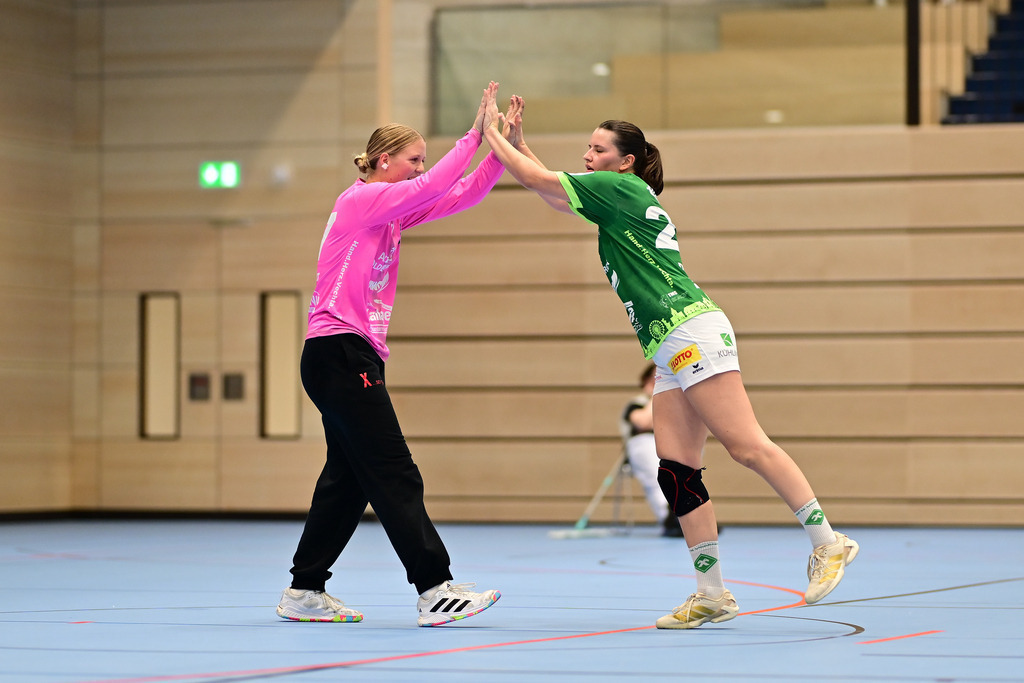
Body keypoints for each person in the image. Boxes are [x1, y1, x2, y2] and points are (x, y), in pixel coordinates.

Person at [479, 85, 858, 630]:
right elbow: (556, 192)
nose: (588, 158)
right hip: (667, 343)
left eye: (597, 150)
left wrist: (489, 132)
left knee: (745, 446)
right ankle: (712, 593)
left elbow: (543, 183)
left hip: (689, 330)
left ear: (625, 162)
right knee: (678, 472)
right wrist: (517, 141)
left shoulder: (618, 188)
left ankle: (829, 541)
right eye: (586, 150)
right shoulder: (611, 193)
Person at [277, 82, 518, 627]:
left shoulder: (388, 215)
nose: (418, 170)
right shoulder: (359, 201)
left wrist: (504, 149)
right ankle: (435, 589)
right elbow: (438, 181)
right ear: (383, 160)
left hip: (346, 356)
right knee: (394, 471)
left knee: (348, 479)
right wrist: (474, 134)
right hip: (340, 352)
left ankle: (304, 591)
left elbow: (459, 194)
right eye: (412, 160)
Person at [621, 364, 682, 537]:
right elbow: (643, 423)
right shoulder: (635, 405)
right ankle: (669, 518)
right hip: (644, 446)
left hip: (673, 445)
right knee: (659, 477)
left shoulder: (675, 404)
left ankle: (688, 515)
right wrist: (658, 392)